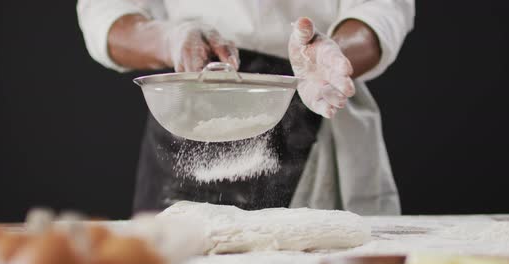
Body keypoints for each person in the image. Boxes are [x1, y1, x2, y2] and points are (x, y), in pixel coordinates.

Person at [77, 0, 415, 215]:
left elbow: (381, 9)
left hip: (311, 98)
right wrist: (169, 40)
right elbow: (106, 10)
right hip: (190, 111)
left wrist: (334, 55)